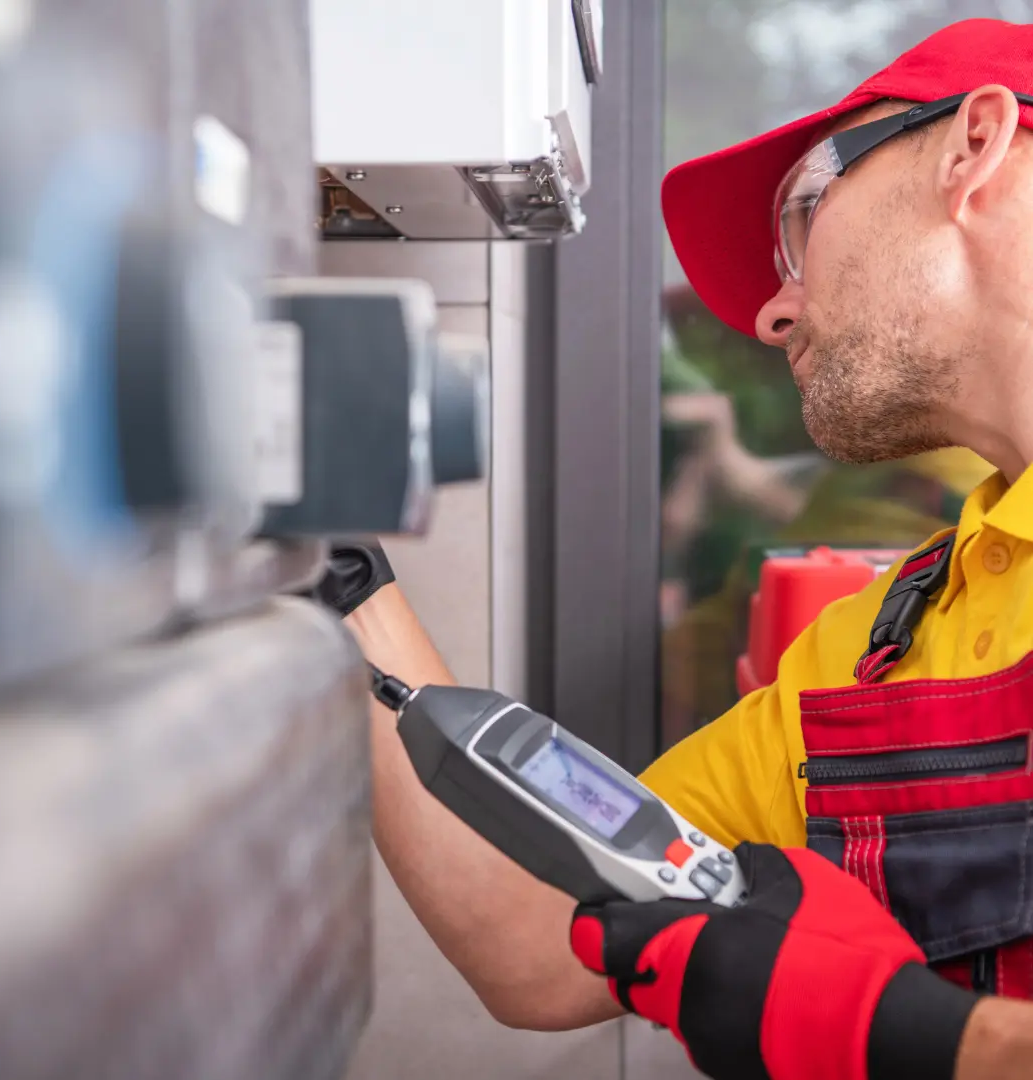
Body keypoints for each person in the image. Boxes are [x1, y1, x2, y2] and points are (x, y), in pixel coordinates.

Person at [309, 19, 1033, 1080]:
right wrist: (336, 562)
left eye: (800, 221)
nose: (775, 314)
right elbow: (536, 931)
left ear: (974, 145)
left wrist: (915, 1039)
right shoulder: (883, 650)